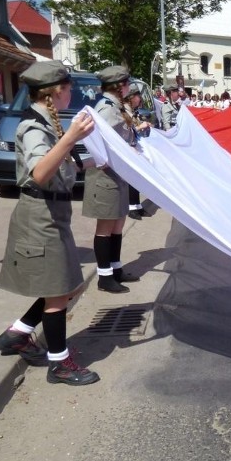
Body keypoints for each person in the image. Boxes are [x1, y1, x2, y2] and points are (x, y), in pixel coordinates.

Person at [0, 60, 100, 385]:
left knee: (64, 286)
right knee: (59, 292)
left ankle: (18, 334)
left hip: (52, 215)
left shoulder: (48, 122)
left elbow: (66, 164)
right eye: (69, 89)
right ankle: (60, 365)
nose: (72, 94)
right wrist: (69, 138)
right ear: (55, 92)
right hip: (40, 218)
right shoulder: (32, 127)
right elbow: (40, 172)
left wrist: (105, 157)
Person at [82, 66, 140, 294]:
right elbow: (98, 143)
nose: (128, 88)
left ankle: (115, 269)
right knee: (105, 227)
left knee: (117, 224)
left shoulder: (116, 106)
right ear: (118, 86)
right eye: (126, 84)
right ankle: (104, 276)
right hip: (105, 175)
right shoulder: (106, 109)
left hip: (117, 174)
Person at [123, 84, 152, 220]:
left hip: (135, 146)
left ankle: (137, 205)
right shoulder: (125, 111)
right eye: (137, 95)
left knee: (137, 178)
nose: (140, 98)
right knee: (132, 178)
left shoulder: (132, 111)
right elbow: (126, 130)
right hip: (129, 147)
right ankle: (132, 207)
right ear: (131, 97)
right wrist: (141, 126)